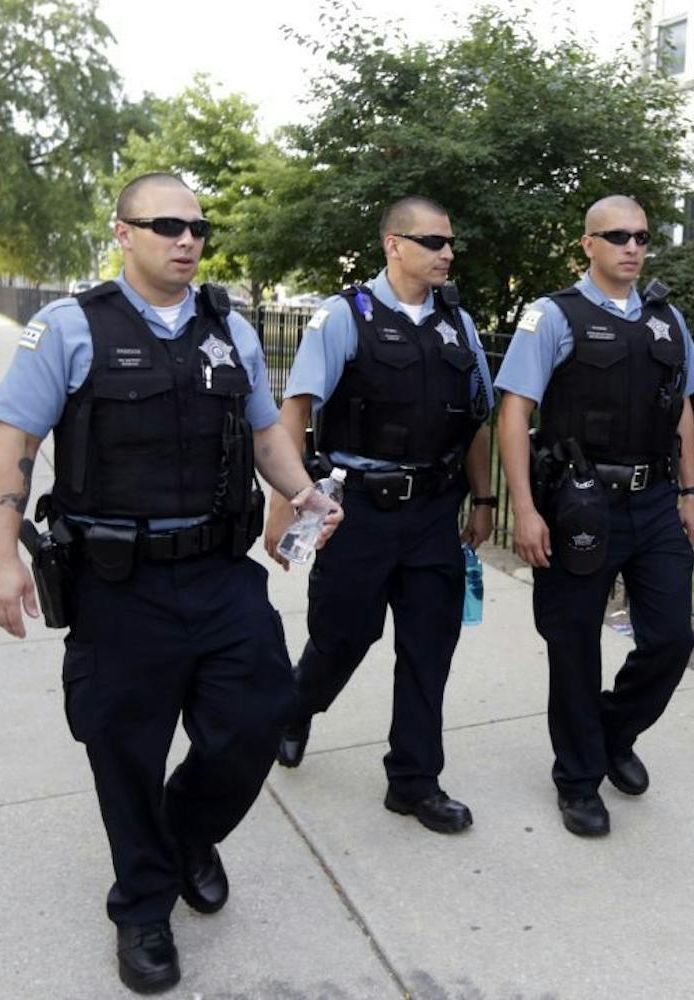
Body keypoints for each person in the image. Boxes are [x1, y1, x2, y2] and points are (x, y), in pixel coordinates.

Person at [0, 173, 341, 994]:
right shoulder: (69, 328)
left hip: (220, 574)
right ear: (124, 232)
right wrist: (0, 557)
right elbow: (14, 446)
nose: (187, 240)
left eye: (198, 227)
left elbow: (263, 433)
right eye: (167, 225)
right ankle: (143, 905)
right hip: (118, 586)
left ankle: (185, 834)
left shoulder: (230, 330)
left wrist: (304, 492)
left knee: (257, 718)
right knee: (125, 751)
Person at [264, 195, 496, 836]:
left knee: (430, 647)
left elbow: (475, 417)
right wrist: (281, 508)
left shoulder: (459, 324)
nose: (447, 253)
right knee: (344, 636)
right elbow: (295, 412)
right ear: (394, 245)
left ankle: (414, 781)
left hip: (432, 513)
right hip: (358, 511)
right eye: (433, 242)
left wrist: (483, 499)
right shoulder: (344, 316)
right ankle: (294, 708)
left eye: (450, 243)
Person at [494, 195, 694, 837]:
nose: (633, 247)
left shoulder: (667, 317)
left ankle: (614, 731)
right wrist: (524, 510)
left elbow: (683, 408)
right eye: (617, 235)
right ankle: (579, 778)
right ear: (588, 244)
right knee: (574, 645)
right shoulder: (552, 316)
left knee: (671, 638)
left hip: (653, 502)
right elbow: (513, 412)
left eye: (642, 236)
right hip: (576, 502)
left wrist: (690, 492)